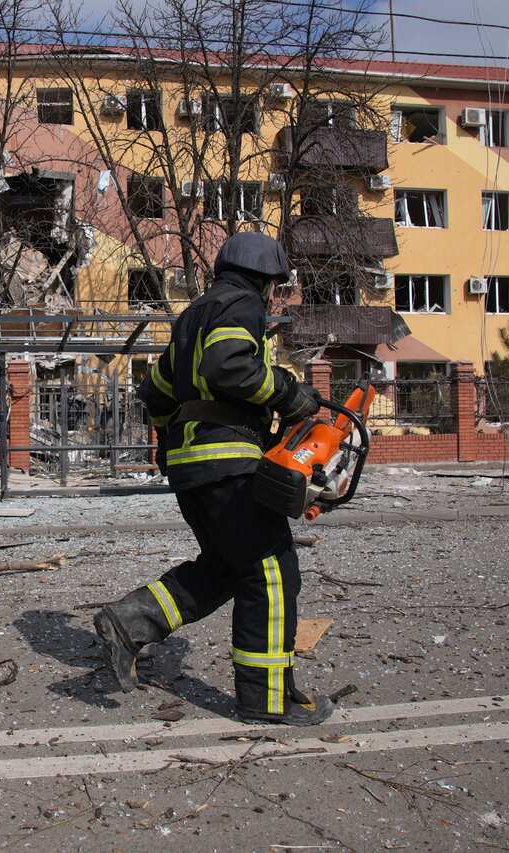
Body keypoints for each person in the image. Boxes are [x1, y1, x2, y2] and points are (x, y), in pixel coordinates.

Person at [93, 232, 332, 726]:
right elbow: (229, 368)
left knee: (229, 567)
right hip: (228, 460)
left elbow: (155, 392)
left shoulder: (193, 317)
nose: (272, 297)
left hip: (194, 469)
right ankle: (266, 701)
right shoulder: (240, 304)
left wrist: (167, 443)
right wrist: (289, 394)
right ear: (264, 280)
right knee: (270, 573)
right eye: (274, 287)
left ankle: (131, 622)